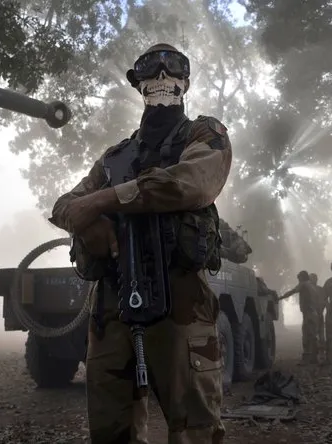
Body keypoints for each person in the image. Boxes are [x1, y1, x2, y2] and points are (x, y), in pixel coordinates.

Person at [50, 43, 232, 444]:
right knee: (111, 430)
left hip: (182, 308)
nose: (163, 77)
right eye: (152, 69)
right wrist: (86, 225)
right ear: (138, 83)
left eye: (174, 70)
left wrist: (101, 202)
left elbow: (192, 183)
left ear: (186, 82)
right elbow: (64, 204)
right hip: (112, 309)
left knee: (194, 431)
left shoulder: (203, 134)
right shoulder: (115, 158)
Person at [280, 270, 319, 365]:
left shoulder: (303, 284)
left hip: (308, 313)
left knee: (306, 336)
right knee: (313, 336)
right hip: (314, 313)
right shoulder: (312, 286)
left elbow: (293, 291)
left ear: (302, 278)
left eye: (299, 278)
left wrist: (280, 298)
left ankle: (306, 359)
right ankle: (314, 358)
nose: (298, 281)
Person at [309, 273, 326, 359]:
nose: (314, 279)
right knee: (313, 334)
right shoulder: (308, 290)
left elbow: (324, 301)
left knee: (320, 334)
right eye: (312, 278)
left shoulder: (320, 289)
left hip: (318, 314)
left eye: (315, 278)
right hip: (313, 315)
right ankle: (314, 353)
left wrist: (320, 310)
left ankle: (321, 352)